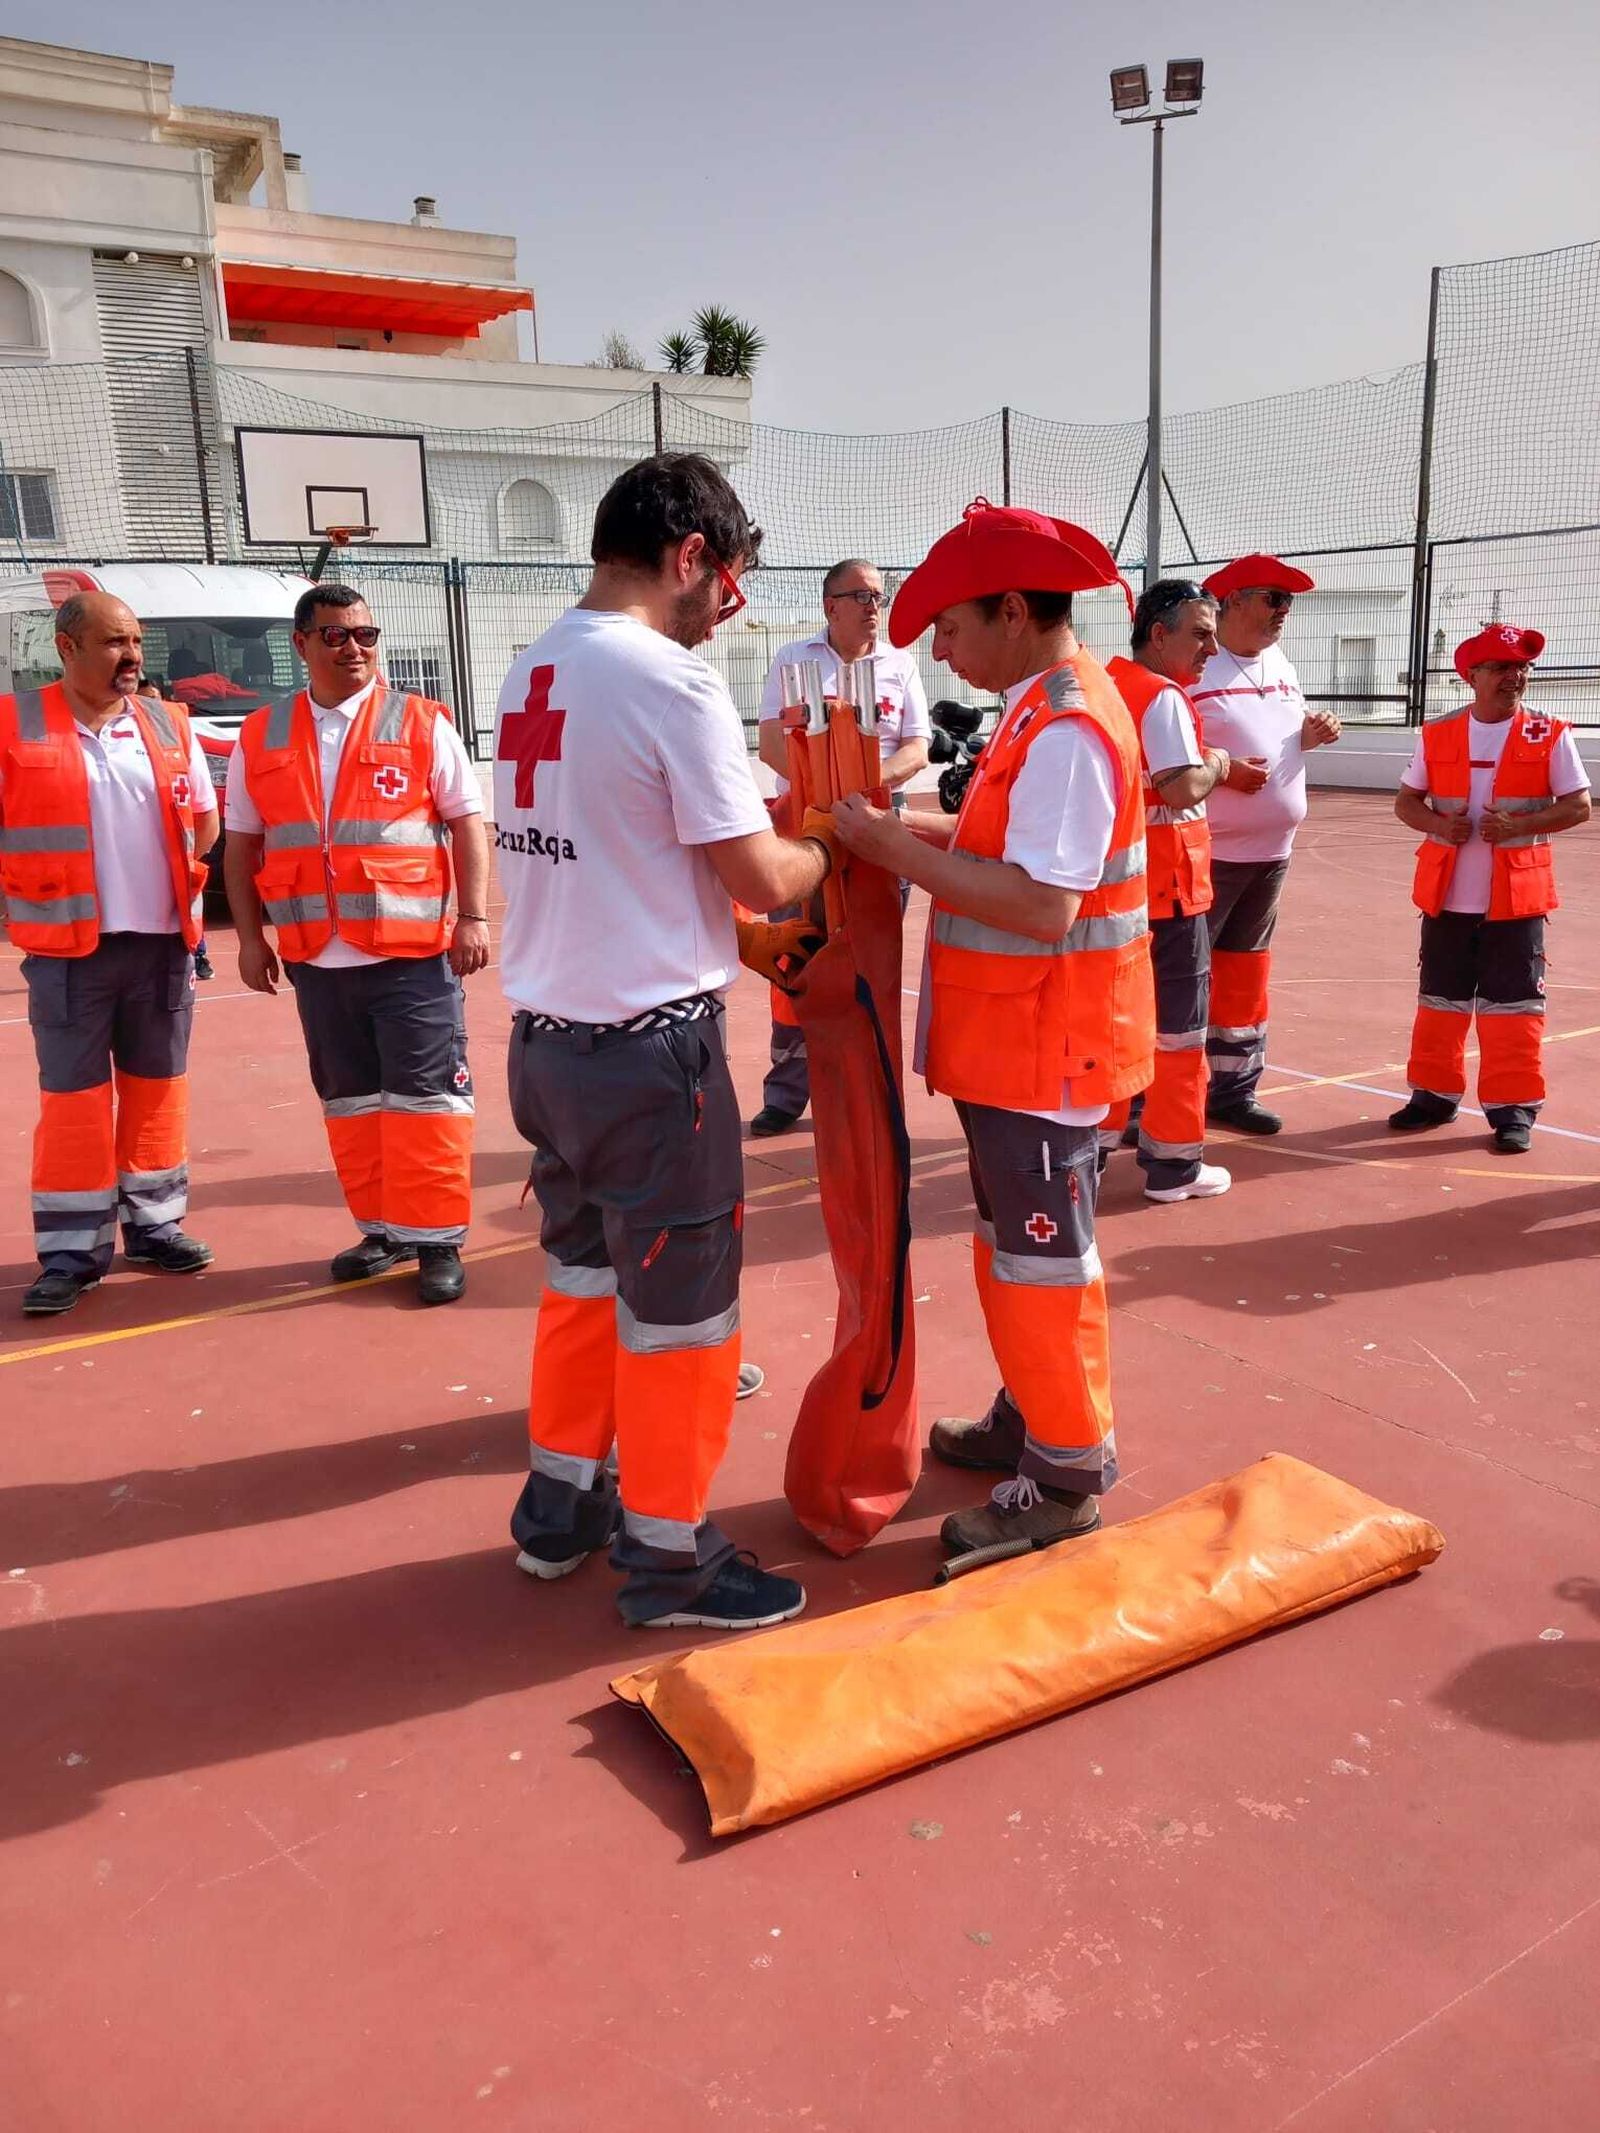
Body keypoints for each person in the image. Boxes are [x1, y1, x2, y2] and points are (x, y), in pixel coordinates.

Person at [493, 452, 834, 1629]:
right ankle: (672, 1556)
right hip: (651, 1058)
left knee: (584, 1278)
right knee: (683, 1307)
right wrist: (828, 846)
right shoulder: (668, 682)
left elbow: (621, 844)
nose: (722, 612)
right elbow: (760, 875)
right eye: (724, 585)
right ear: (691, 557)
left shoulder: (534, 665)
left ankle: (561, 1505)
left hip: (547, 1046)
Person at [830, 500, 1154, 1568]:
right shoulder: (1035, 710)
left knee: (1042, 1265)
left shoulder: (1064, 729)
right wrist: (900, 829)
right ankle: (1033, 1412)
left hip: (1045, 1048)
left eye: (951, 627)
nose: (939, 651)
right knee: (1016, 1255)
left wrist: (895, 847)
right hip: (1017, 1046)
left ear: (1013, 611)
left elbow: (1041, 904)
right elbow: (997, 846)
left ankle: (1063, 1478)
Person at [223, 586, 489, 1306]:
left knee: (427, 1104)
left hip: (412, 957)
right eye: (336, 635)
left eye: (365, 634)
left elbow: (467, 824)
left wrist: (473, 917)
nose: (355, 648)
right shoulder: (260, 734)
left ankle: (436, 1241)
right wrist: (250, 940)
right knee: (352, 1104)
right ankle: (382, 1230)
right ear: (301, 643)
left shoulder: (422, 721)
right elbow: (242, 845)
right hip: (317, 960)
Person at [2, 592, 217, 1317]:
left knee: (158, 1092)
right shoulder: (14, 723)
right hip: (68, 951)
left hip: (161, 946)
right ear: (67, 648)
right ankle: (71, 1254)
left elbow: (205, 823)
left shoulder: (168, 721)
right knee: (74, 1103)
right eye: (113, 642)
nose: (130, 656)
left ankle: (155, 1229)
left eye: (135, 642)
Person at [1390, 624, 1590, 1153]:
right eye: (1501, 667)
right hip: (1447, 897)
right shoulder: (1438, 733)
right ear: (1471, 676)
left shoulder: (1547, 732)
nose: (1514, 677)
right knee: (1439, 1003)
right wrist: (1438, 824)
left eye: (1521, 667)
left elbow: (1578, 806)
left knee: (1514, 1009)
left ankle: (1512, 1110)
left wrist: (1521, 825)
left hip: (1516, 900)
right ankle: (1432, 1096)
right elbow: (1406, 802)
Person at [750, 557, 931, 1136]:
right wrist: (823, 794)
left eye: (879, 595)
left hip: (877, 826)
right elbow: (772, 744)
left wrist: (864, 787)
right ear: (830, 605)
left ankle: (869, 1086)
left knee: (872, 959)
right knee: (798, 956)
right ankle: (787, 1091)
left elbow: (918, 747)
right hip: (804, 829)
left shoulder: (899, 665)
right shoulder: (793, 660)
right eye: (862, 596)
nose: (874, 606)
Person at [1191, 554, 1341, 1134]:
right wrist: (1222, 769)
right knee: (1181, 976)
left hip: (1272, 853)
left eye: (1288, 601)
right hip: (1209, 854)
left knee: (1245, 975)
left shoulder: (1279, 662)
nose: (1284, 611)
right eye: (1273, 599)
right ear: (1232, 601)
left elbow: (1282, 733)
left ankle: (1233, 1091)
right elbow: (1161, 750)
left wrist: (1311, 734)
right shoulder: (1196, 667)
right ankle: (1147, 1098)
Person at [1104, 579, 1234, 1200]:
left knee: (1113, 1026)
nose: (1212, 648)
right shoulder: (1162, 697)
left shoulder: (1107, 685)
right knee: (1180, 1033)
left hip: (1118, 893)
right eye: (1201, 634)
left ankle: (1093, 1150)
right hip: (1170, 893)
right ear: (1159, 635)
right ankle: (1175, 1164)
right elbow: (1181, 788)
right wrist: (1220, 764)